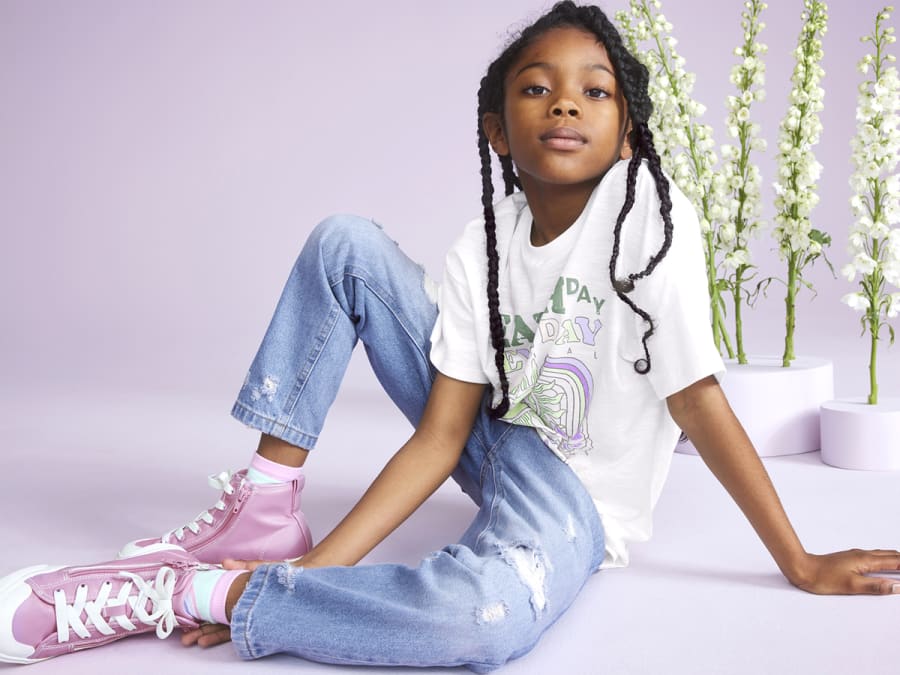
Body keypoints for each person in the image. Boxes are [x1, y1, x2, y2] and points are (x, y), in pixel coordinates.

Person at [1, 1, 898, 671]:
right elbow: (441, 437)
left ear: (628, 134)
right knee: (347, 245)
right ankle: (267, 509)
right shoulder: (484, 246)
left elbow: (696, 398)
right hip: (489, 442)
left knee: (480, 620)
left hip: (574, 503)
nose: (566, 105)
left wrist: (799, 561)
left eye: (595, 92)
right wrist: (317, 560)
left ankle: (197, 588)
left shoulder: (650, 221)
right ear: (496, 130)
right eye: (537, 88)